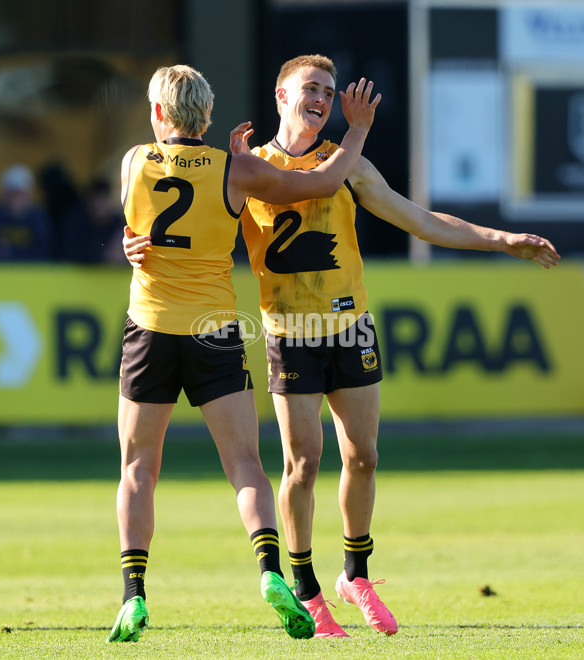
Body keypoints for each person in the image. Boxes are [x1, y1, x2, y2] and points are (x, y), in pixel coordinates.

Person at [124, 55, 560, 639]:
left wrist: (503, 240)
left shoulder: (345, 165)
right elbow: (185, 220)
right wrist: (136, 242)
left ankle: (355, 573)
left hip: (350, 326)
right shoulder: (246, 166)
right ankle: (303, 586)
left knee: (364, 456)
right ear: (281, 95)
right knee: (301, 462)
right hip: (286, 330)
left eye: (329, 91)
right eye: (312, 88)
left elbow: (421, 221)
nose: (323, 99)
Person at [107, 63, 380, 643]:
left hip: (149, 328)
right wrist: (355, 131)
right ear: (207, 114)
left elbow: (136, 230)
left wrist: (132, 245)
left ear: (158, 113)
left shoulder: (133, 161)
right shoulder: (237, 171)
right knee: (247, 466)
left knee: (137, 469)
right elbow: (321, 183)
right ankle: (270, 571)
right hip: (213, 330)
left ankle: (134, 595)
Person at [0, 164, 51, 261]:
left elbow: (44, 251)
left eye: (20, 194)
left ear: (29, 195)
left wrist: (9, 251)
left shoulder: (40, 219)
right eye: (12, 194)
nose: (16, 199)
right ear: (4, 194)